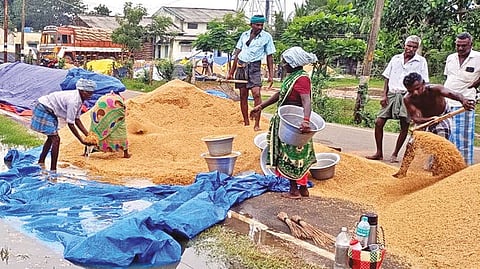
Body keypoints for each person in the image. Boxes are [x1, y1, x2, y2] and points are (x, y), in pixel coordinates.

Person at [250, 46, 318, 199]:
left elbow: (306, 100)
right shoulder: (294, 76)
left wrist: (306, 121)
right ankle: (303, 189)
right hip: (290, 120)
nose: (283, 65)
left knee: (290, 155)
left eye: (285, 62)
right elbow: (280, 94)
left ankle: (294, 190)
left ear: (293, 63)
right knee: (298, 155)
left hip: (293, 123)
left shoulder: (301, 79)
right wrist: (261, 106)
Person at [393, 72, 475, 178]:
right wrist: (430, 119)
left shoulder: (435, 89)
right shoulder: (408, 99)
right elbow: (416, 118)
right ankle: (402, 171)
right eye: (411, 91)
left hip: (442, 115)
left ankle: (436, 171)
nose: (415, 93)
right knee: (411, 143)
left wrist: (463, 100)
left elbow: (452, 94)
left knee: (441, 138)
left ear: (423, 83)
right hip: (424, 120)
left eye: (417, 88)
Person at [366, 35, 429, 163]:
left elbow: (424, 82)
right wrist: (384, 94)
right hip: (392, 94)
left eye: (414, 47)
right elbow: (387, 77)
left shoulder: (421, 61)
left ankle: (395, 154)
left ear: (417, 48)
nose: (411, 49)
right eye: (409, 46)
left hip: (408, 96)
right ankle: (379, 152)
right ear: (404, 45)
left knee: (404, 124)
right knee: (379, 122)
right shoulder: (396, 59)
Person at [30, 78, 97, 174]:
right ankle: (53, 170)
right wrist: (81, 140)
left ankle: (41, 161)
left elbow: (77, 119)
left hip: (51, 110)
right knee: (56, 139)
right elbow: (70, 123)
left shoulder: (80, 99)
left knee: (51, 137)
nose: (91, 95)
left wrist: (88, 135)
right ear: (81, 91)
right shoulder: (73, 101)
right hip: (44, 108)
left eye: (92, 92)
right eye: (88, 93)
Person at [227, 14, 276, 131]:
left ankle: (257, 124)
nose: (259, 27)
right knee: (243, 95)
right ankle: (246, 122)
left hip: (254, 67)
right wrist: (230, 72)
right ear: (251, 25)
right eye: (257, 25)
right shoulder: (244, 35)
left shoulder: (266, 37)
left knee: (256, 94)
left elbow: (270, 56)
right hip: (241, 66)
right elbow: (237, 54)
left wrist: (271, 75)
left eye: (261, 25)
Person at [444, 32, 480, 165]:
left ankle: (463, 167)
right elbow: (448, 77)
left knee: (463, 138)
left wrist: (476, 84)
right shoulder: (450, 58)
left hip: (465, 103)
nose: (460, 48)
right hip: (447, 102)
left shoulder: (478, 58)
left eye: (463, 46)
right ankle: (445, 165)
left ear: (471, 44)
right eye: (458, 45)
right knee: (446, 135)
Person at [88, 92, 131, 158]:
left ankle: (89, 150)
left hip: (98, 111)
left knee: (95, 128)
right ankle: (126, 154)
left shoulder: (103, 98)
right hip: (111, 109)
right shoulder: (119, 101)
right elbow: (123, 111)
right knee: (121, 128)